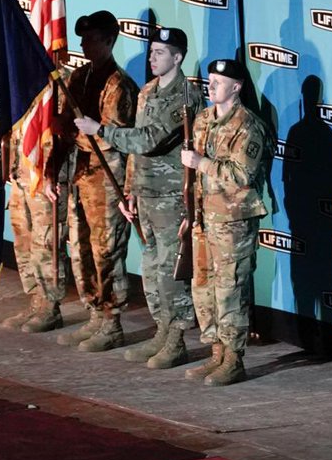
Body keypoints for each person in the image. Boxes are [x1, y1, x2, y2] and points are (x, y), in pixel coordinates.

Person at [75, 27, 196, 368]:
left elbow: (149, 140)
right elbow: (137, 157)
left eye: (161, 52)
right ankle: (161, 330)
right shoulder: (147, 91)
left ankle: (177, 338)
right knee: (152, 267)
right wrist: (128, 190)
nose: (153, 57)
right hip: (145, 192)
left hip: (171, 196)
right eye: (152, 51)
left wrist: (100, 130)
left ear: (178, 57)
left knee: (173, 271)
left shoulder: (184, 96)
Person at [180, 59, 272, 386]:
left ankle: (234, 358)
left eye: (219, 81)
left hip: (233, 219)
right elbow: (191, 177)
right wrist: (188, 212)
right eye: (210, 80)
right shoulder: (203, 119)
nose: (211, 85)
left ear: (236, 86)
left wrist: (202, 162)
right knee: (202, 285)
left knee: (230, 288)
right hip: (203, 216)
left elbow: (242, 175)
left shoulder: (248, 126)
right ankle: (216, 351)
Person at [53, 10, 138, 351]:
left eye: (91, 39)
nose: (84, 44)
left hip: (107, 179)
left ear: (109, 40)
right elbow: (64, 121)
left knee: (107, 251)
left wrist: (74, 133)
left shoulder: (119, 83)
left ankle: (112, 320)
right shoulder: (79, 77)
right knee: (82, 248)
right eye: (82, 39)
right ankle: (93, 311)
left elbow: (111, 136)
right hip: (79, 174)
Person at [4, 102, 72, 333]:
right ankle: (35, 299)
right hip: (22, 175)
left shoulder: (57, 84)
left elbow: (65, 133)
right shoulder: (20, 84)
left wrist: (53, 173)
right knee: (23, 241)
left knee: (46, 244)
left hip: (45, 179)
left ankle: (49, 306)